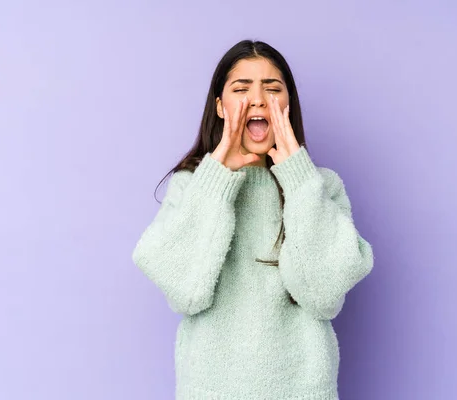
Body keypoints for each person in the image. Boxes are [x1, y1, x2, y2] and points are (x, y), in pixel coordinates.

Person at [131, 39, 375, 400]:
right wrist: (216, 179)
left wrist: (298, 178)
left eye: (273, 88)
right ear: (220, 106)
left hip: (303, 389)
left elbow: (324, 294)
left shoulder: (321, 186)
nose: (258, 99)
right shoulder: (191, 186)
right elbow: (185, 290)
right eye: (241, 88)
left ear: (287, 105)